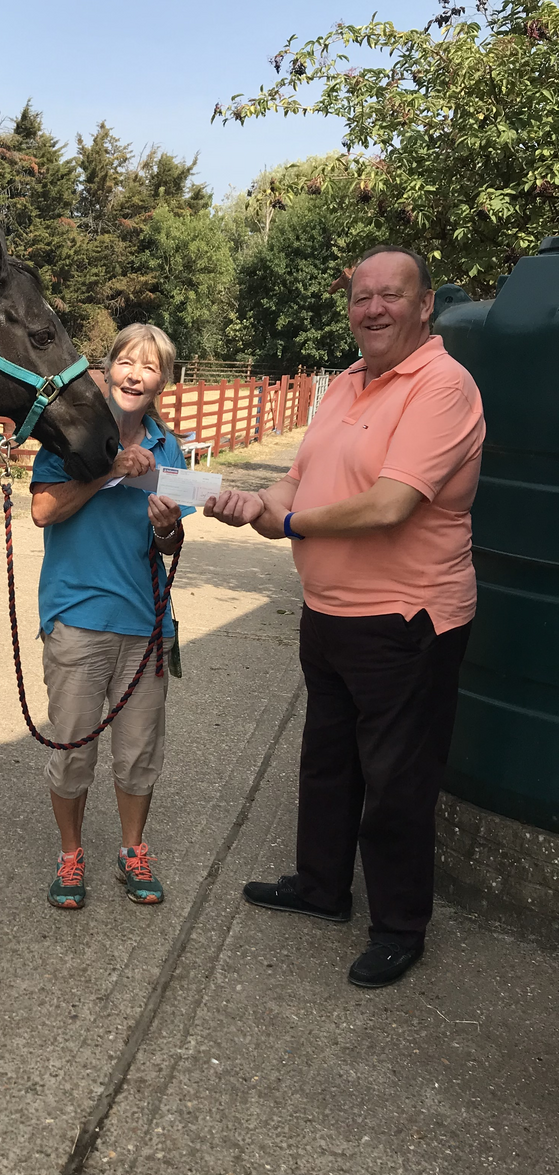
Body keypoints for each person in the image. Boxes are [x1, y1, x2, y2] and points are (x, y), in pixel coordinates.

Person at [204, 244, 485, 989]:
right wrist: (249, 506)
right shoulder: (347, 384)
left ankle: (399, 925)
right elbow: (294, 481)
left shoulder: (442, 386)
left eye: (392, 294)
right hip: (329, 612)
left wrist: (289, 525)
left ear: (425, 305)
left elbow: (393, 503)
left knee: (397, 780)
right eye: (362, 297)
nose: (374, 308)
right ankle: (320, 887)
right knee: (328, 760)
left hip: (406, 620)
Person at [30, 323, 192, 910]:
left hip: (146, 622)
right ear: (107, 368)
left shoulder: (168, 448)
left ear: (161, 382)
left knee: (139, 753)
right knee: (73, 749)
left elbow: (172, 544)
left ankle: (132, 851)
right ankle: (71, 856)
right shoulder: (69, 434)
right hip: (77, 617)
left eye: (148, 367)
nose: (134, 374)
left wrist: (167, 528)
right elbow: (43, 511)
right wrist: (109, 472)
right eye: (126, 361)